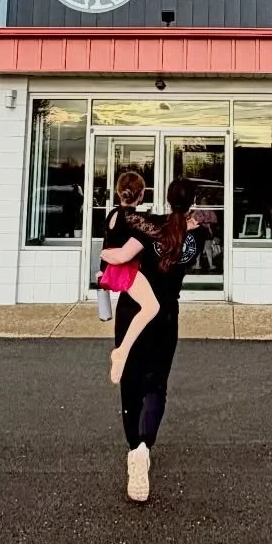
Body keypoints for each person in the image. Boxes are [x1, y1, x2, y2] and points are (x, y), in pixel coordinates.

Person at [98, 177, 197, 502]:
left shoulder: (151, 227)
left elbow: (126, 250)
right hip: (166, 316)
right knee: (156, 384)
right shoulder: (196, 236)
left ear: (166, 200)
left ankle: (133, 449)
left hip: (132, 311)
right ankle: (142, 447)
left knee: (131, 383)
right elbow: (185, 235)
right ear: (192, 202)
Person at [98, 172, 163, 383]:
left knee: (146, 307)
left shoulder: (112, 215)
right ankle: (122, 351)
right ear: (141, 194)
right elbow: (158, 231)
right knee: (152, 307)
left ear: (118, 192)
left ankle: (123, 352)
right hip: (126, 270)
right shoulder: (134, 218)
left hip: (112, 268)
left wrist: (102, 268)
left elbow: (107, 242)